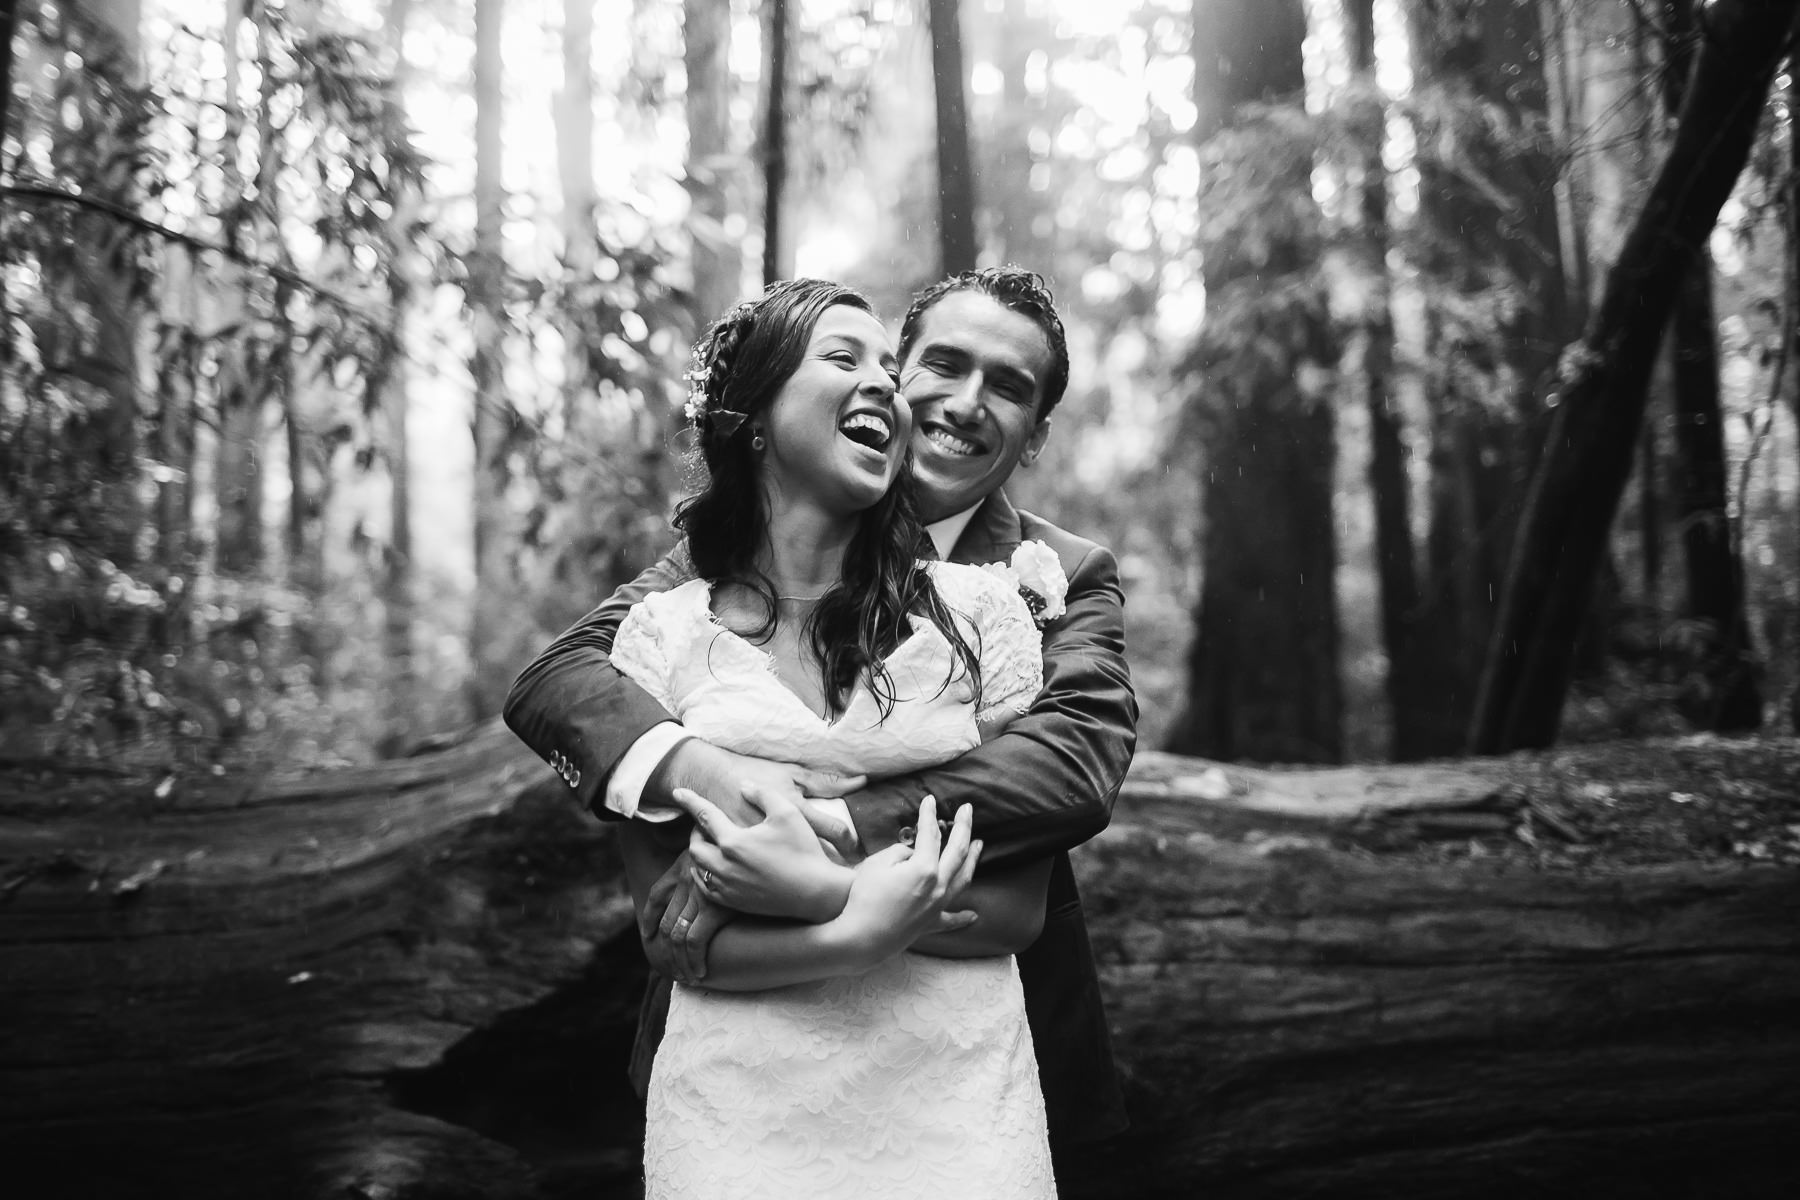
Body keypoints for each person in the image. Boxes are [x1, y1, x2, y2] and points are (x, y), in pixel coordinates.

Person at [504, 266, 1135, 1165]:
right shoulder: (721, 569)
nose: (964, 402)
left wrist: (818, 840)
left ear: (1034, 436)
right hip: (745, 1080)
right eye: (942, 365)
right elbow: (563, 675)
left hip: (963, 1064)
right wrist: (710, 775)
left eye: (1008, 387)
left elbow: (1070, 763)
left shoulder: (1051, 576)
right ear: (899, 373)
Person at [601, 277, 1055, 1196]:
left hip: (956, 1105)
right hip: (738, 1111)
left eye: (889, 369)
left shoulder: (983, 616)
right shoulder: (664, 637)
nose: (885, 387)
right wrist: (852, 934)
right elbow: (671, 935)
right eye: (845, 360)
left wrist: (818, 886)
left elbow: (1015, 909)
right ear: (756, 417)